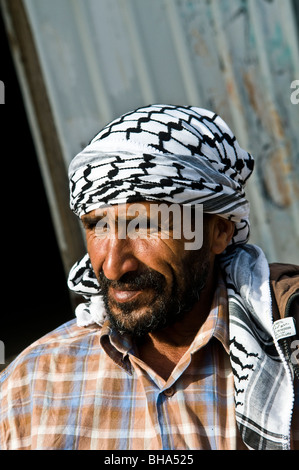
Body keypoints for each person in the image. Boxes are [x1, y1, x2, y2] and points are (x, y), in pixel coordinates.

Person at [0, 104, 298, 450]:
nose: (113, 267)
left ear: (218, 232)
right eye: (97, 225)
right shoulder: (30, 387)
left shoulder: (284, 358)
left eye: (144, 225)